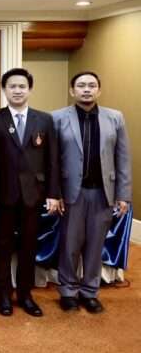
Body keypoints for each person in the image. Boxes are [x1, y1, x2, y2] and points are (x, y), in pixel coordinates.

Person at [53, 71, 131, 313]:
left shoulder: (115, 118)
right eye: (81, 85)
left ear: (99, 90)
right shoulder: (57, 118)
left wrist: (123, 194)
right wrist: (55, 193)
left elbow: (123, 158)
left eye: (91, 85)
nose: (86, 89)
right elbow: (52, 160)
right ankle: (68, 291)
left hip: (103, 193)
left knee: (96, 246)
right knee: (70, 245)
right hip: (71, 194)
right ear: (72, 90)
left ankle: (90, 292)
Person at [0, 68, 61, 317]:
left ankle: (25, 295)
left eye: (22, 86)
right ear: (4, 90)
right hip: (4, 194)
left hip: (34, 194)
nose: (17, 91)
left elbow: (52, 159)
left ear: (29, 89)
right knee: (3, 246)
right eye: (12, 86)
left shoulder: (45, 120)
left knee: (29, 246)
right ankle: (3, 295)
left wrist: (53, 193)